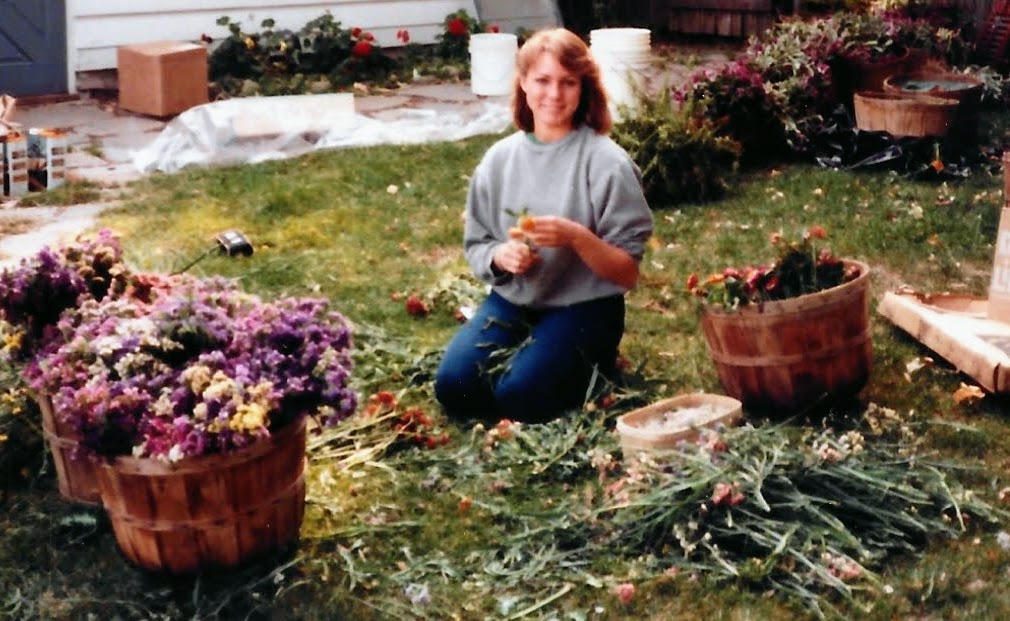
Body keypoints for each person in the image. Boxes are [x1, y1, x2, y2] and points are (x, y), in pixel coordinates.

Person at [434, 27, 653, 424]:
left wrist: (577, 238)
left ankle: (591, 362)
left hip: (586, 307)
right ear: (523, 83)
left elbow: (626, 273)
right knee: (455, 386)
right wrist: (500, 257)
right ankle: (540, 357)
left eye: (568, 82)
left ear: (583, 88)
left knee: (521, 396)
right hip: (514, 301)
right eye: (542, 80)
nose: (554, 94)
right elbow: (478, 243)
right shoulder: (499, 160)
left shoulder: (607, 163)